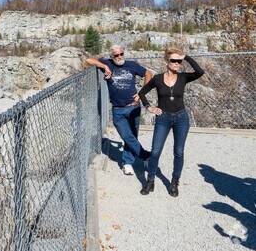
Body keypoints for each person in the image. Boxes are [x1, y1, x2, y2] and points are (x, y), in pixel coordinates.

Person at [138, 47, 204, 197]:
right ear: (166, 61)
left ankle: (175, 182)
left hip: (181, 118)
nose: (177, 63)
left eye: (179, 61)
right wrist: (149, 107)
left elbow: (200, 72)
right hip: (163, 118)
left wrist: (186, 56)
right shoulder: (157, 78)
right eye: (173, 60)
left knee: (179, 152)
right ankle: (150, 181)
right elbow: (142, 93)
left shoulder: (183, 77)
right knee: (155, 152)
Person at [86, 45, 152, 175]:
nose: (119, 57)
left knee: (132, 136)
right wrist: (104, 67)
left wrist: (142, 93)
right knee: (126, 135)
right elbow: (89, 60)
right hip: (118, 110)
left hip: (134, 107)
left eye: (121, 54)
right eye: (116, 55)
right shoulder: (108, 63)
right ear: (112, 56)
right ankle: (146, 155)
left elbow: (148, 73)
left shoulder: (132, 65)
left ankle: (127, 163)